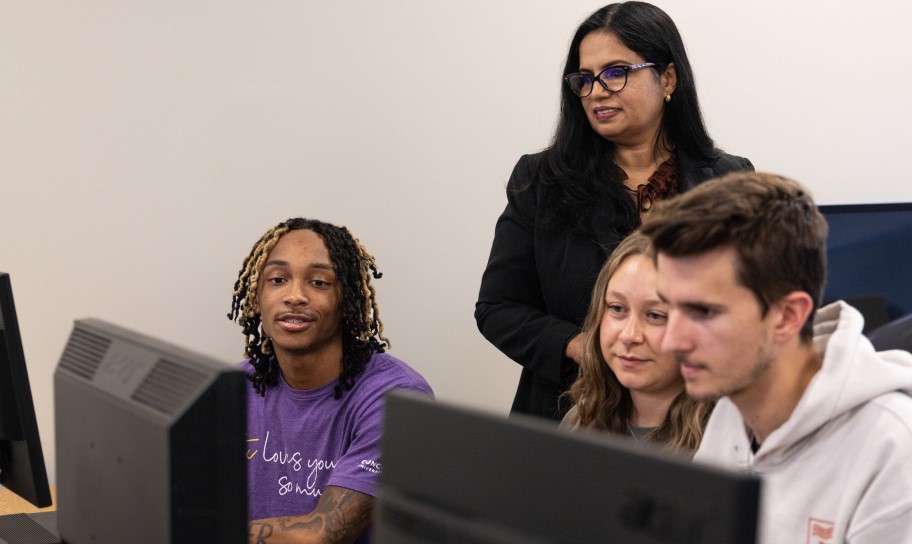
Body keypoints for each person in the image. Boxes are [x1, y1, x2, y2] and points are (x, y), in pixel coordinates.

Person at [475, 1, 753, 421]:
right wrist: (582, 346)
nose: (597, 91)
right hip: (568, 411)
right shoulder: (540, 179)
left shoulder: (729, 181)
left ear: (668, 78)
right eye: (584, 79)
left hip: (696, 417)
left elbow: (749, 305)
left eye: (616, 72)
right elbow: (498, 308)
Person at [640, 172, 912, 543]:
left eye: (703, 312)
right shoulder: (731, 407)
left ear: (787, 316)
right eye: (669, 309)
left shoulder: (893, 448)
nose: (671, 342)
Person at [228, 217, 434, 544]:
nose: (295, 296)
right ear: (256, 297)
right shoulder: (235, 387)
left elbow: (324, 534)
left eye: (319, 282)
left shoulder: (396, 397)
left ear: (347, 300)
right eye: (278, 279)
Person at [560, 231, 712, 455]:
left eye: (656, 315)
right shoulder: (579, 421)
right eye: (617, 308)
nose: (629, 335)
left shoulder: (727, 442)